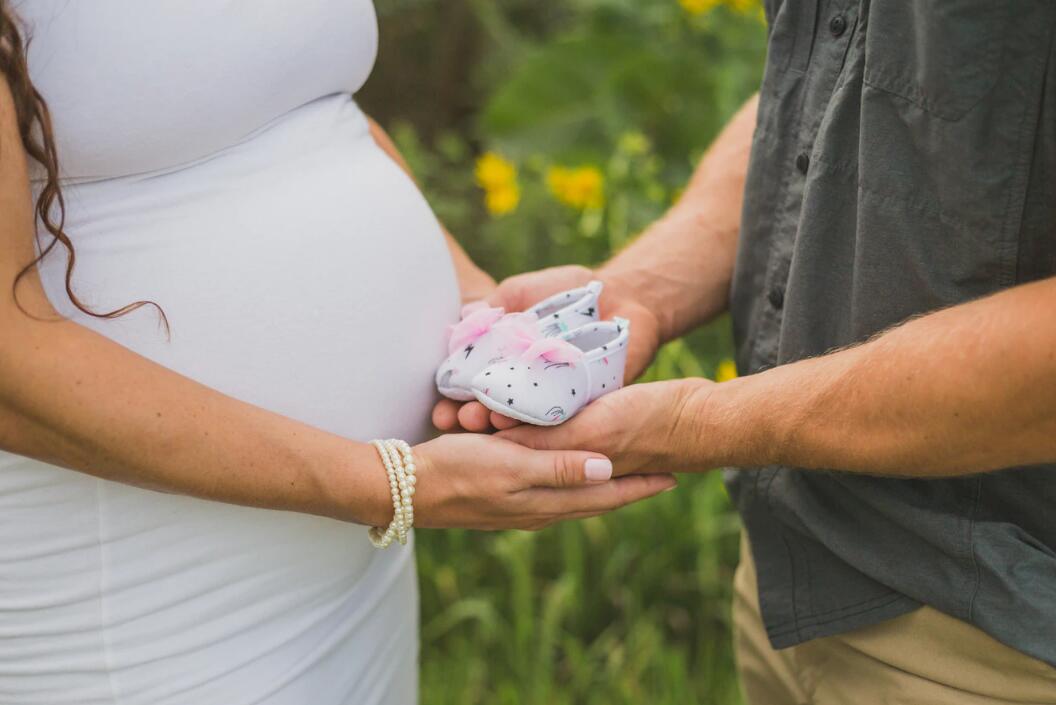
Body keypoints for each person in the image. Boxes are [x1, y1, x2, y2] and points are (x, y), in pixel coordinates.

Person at [0, 2, 676, 704]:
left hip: (354, 565)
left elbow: (312, 110)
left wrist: (483, 310)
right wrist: (386, 483)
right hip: (143, 595)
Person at [435, 1, 1056, 702]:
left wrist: (702, 423)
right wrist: (639, 291)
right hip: (787, 571)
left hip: (999, 631)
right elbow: (838, 72)